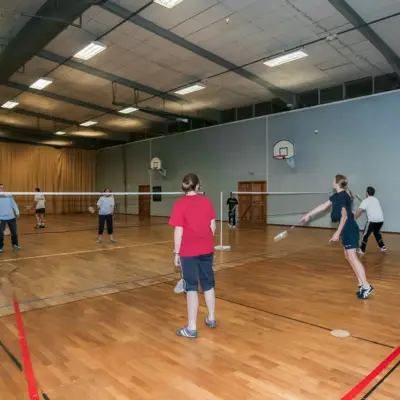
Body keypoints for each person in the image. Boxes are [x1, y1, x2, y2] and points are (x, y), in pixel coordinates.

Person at [301, 175, 374, 299]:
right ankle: (361, 284)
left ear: (336, 183)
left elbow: (344, 216)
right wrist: (309, 215)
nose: (331, 181)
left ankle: (367, 286)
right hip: (346, 228)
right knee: (349, 257)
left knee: (353, 257)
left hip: (349, 228)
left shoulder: (342, 196)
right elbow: (324, 206)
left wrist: (337, 232)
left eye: (333, 180)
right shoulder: (336, 196)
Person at [169, 173, 217, 338]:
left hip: (188, 252)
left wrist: (176, 252)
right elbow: (213, 227)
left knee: (191, 287)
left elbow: (179, 231)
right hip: (207, 249)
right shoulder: (207, 201)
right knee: (208, 283)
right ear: (198, 186)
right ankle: (211, 318)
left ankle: (191, 328)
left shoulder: (180, 204)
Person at [355, 186, 386, 254]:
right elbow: (368, 204)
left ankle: (362, 250)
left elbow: (359, 211)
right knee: (376, 233)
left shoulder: (366, 201)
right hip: (381, 220)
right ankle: (382, 247)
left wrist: (354, 218)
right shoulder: (376, 199)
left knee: (365, 235)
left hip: (372, 220)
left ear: (366, 193)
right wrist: (360, 199)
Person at [0, 184, 21, 253]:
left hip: (11, 217)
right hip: (1, 218)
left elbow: (14, 204)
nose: (2, 189)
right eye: (0, 188)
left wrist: (17, 213)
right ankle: (0, 247)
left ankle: (15, 244)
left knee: (14, 233)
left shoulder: (9, 195)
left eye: (3, 188)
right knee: (0, 234)